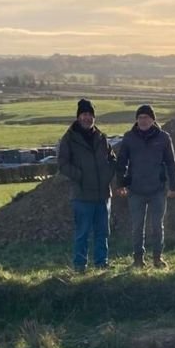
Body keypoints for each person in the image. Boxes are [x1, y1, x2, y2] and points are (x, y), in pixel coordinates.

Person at [116, 104, 175, 268]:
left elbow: (171, 163)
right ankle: (138, 259)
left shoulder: (164, 137)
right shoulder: (129, 137)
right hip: (135, 190)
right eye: (140, 118)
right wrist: (121, 184)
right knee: (137, 227)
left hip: (157, 190)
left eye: (146, 117)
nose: (143, 121)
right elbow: (121, 162)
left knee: (157, 226)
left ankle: (158, 258)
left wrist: (174, 186)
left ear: (153, 119)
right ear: (136, 120)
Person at [58, 98, 117, 272]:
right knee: (82, 233)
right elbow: (63, 165)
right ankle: (80, 266)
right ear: (78, 117)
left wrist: (107, 174)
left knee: (102, 233)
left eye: (90, 115)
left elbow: (112, 159)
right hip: (82, 195)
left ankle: (101, 264)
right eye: (84, 114)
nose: (87, 118)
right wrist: (81, 176)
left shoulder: (101, 137)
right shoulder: (68, 139)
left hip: (103, 195)